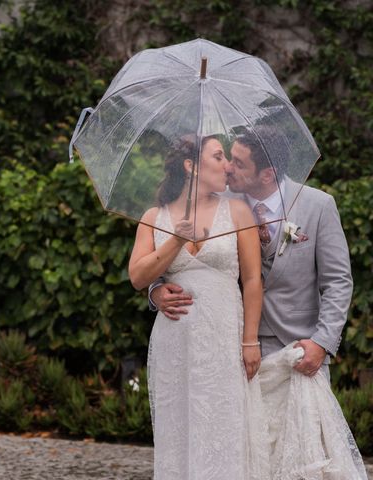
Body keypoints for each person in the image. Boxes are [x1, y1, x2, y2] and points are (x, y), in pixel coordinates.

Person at [149, 129, 367, 478]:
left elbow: (338, 282)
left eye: (238, 163)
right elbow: (185, 264)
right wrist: (156, 291)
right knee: (248, 455)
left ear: (267, 174)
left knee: (304, 458)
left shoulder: (317, 205)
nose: (229, 169)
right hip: (233, 351)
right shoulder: (222, 206)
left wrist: (322, 343)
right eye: (227, 158)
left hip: (299, 347)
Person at [129, 134, 270, 479]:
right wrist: (176, 239)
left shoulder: (237, 211)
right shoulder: (154, 216)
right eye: (219, 156)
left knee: (224, 425)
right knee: (178, 429)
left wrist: (250, 340)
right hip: (175, 342)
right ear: (191, 166)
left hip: (224, 337)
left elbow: (252, 280)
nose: (227, 166)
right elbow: (137, 276)